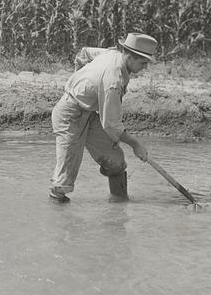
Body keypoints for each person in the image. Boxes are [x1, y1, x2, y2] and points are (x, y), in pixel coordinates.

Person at [49, 32, 157, 202]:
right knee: (63, 182)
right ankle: (57, 212)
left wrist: (83, 79)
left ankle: (119, 204)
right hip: (70, 115)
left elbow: (84, 53)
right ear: (129, 56)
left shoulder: (112, 53)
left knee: (116, 162)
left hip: (90, 114)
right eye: (143, 63)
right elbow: (111, 124)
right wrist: (136, 144)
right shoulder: (113, 80)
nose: (145, 67)